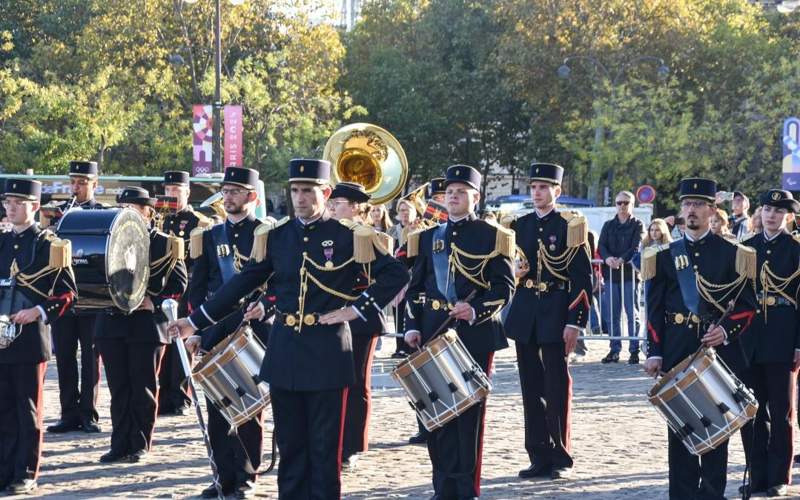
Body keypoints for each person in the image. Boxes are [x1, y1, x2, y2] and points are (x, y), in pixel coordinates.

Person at [170, 159, 408, 499]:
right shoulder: (276, 235)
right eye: (295, 190)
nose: (300, 198)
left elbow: (396, 275)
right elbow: (241, 284)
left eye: (308, 191)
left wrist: (355, 310)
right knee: (291, 448)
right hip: (285, 352)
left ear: (325, 192)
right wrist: (194, 321)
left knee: (325, 451)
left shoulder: (348, 236)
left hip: (327, 351)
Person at [404, 164, 514, 498]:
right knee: (436, 413)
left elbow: (504, 286)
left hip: (473, 333)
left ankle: (464, 487)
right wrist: (411, 326)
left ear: (475, 197)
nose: (453, 196)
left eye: (461, 191)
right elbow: (415, 288)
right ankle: (443, 485)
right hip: (433, 330)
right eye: (449, 191)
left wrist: (476, 309)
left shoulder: (493, 235)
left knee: (467, 415)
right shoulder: (426, 237)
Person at [643, 177, 757, 500]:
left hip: (714, 352)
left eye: (698, 205)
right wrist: (655, 352)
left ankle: (710, 493)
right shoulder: (663, 256)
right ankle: (680, 494)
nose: (691, 211)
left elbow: (748, 306)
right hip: (678, 347)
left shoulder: (732, 253)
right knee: (680, 428)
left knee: (715, 430)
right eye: (687, 204)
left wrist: (726, 330)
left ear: (711, 210)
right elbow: (653, 311)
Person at [183, 167, 272, 499]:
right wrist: (197, 327)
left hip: (253, 330)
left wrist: (265, 305)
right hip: (216, 331)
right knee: (217, 409)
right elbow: (198, 288)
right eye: (226, 191)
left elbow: (275, 282)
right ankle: (223, 477)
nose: (229, 197)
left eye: (236, 191)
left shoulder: (267, 234)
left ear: (252, 196)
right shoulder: (209, 236)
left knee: (248, 409)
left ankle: (246, 477)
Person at [504, 162, 592, 481]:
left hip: (556, 309)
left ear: (557, 191)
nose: (537, 192)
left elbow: (582, 279)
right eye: (534, 187)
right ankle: (537, 453)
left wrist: (575, 321)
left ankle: (558, 452)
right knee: (530, 387)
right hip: (527, 310)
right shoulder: (518, 225)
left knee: (556, 385)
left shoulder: (571, 225)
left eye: (544, 187)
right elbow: (509, 268)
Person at [94, 187, 188, 464]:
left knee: (143, 386)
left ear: (149, 212)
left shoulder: (163, 243)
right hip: (111, 323)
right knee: (119, 388)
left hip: (146, 325)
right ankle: (119, 443)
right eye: (123, 207)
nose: (128, 211)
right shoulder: (110, 240)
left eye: (135, 207)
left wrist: (155, 302)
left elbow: (179, 284)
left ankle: (140, 443)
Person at [0, 179, 77, 494]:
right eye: (8, 201)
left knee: (27, 408)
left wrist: (39, 312)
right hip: (1, 336)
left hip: (30, 338)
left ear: (33, 206)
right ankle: (5, 470)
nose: (12, 207)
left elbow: (68, 292)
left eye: (19, 202)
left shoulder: (51, 244)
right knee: (3, 408)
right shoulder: (2, 243)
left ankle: (26, 472)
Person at [739, 189, 800, 497]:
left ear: (788, 215)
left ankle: (779, 477)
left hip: (783, 334)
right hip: (750, 337)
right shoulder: (746, 249)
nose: (771, 215)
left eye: (778, 210)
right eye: (767, 209)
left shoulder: (795, 249)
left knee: (781, 411)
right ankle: (758, 474)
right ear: (759, 213)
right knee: (751, 410)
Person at [328, 182, 389, 471]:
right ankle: (330, 440)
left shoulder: (370, 237)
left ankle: (351, 445)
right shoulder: (327, 235)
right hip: (330, 317)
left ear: (355, 207)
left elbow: (382, 280)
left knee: (355, 383)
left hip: (361, 318)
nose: (331, 207)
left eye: (337, 202)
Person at [47, 160, 105, 434]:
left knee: (91, 358)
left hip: (91, 297)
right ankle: (68, 412)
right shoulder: (60, 215)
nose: (76, 187)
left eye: (82, 183)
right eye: (73, 182)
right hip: (62, 299)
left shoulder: (103, 215)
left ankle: (89, 414)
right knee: (65, 357)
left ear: (95, 184)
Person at [157, 171, 212, 416]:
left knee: (181, 342)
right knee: (162, 342)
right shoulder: (160, 220)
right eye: (168, 190)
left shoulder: (197, 222)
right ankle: (163, 394)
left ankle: (179, 396)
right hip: (161, 287)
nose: (171, 195)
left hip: (186, 285)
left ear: (187, 192)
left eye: (176, 190)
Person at [598, 190, 644, 364]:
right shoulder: (608, 225)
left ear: (632, 205)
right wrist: (607, 258)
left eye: (626, 203)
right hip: (611, 276)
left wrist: (622, 259)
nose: (622, 206)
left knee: (633, 315)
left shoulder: (638, 225)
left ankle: (634, 350)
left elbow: (636, 246)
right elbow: (601, 245)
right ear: (615, 204)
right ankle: (614, 349)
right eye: (619, 203)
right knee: (612, 315)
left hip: (630, 275)